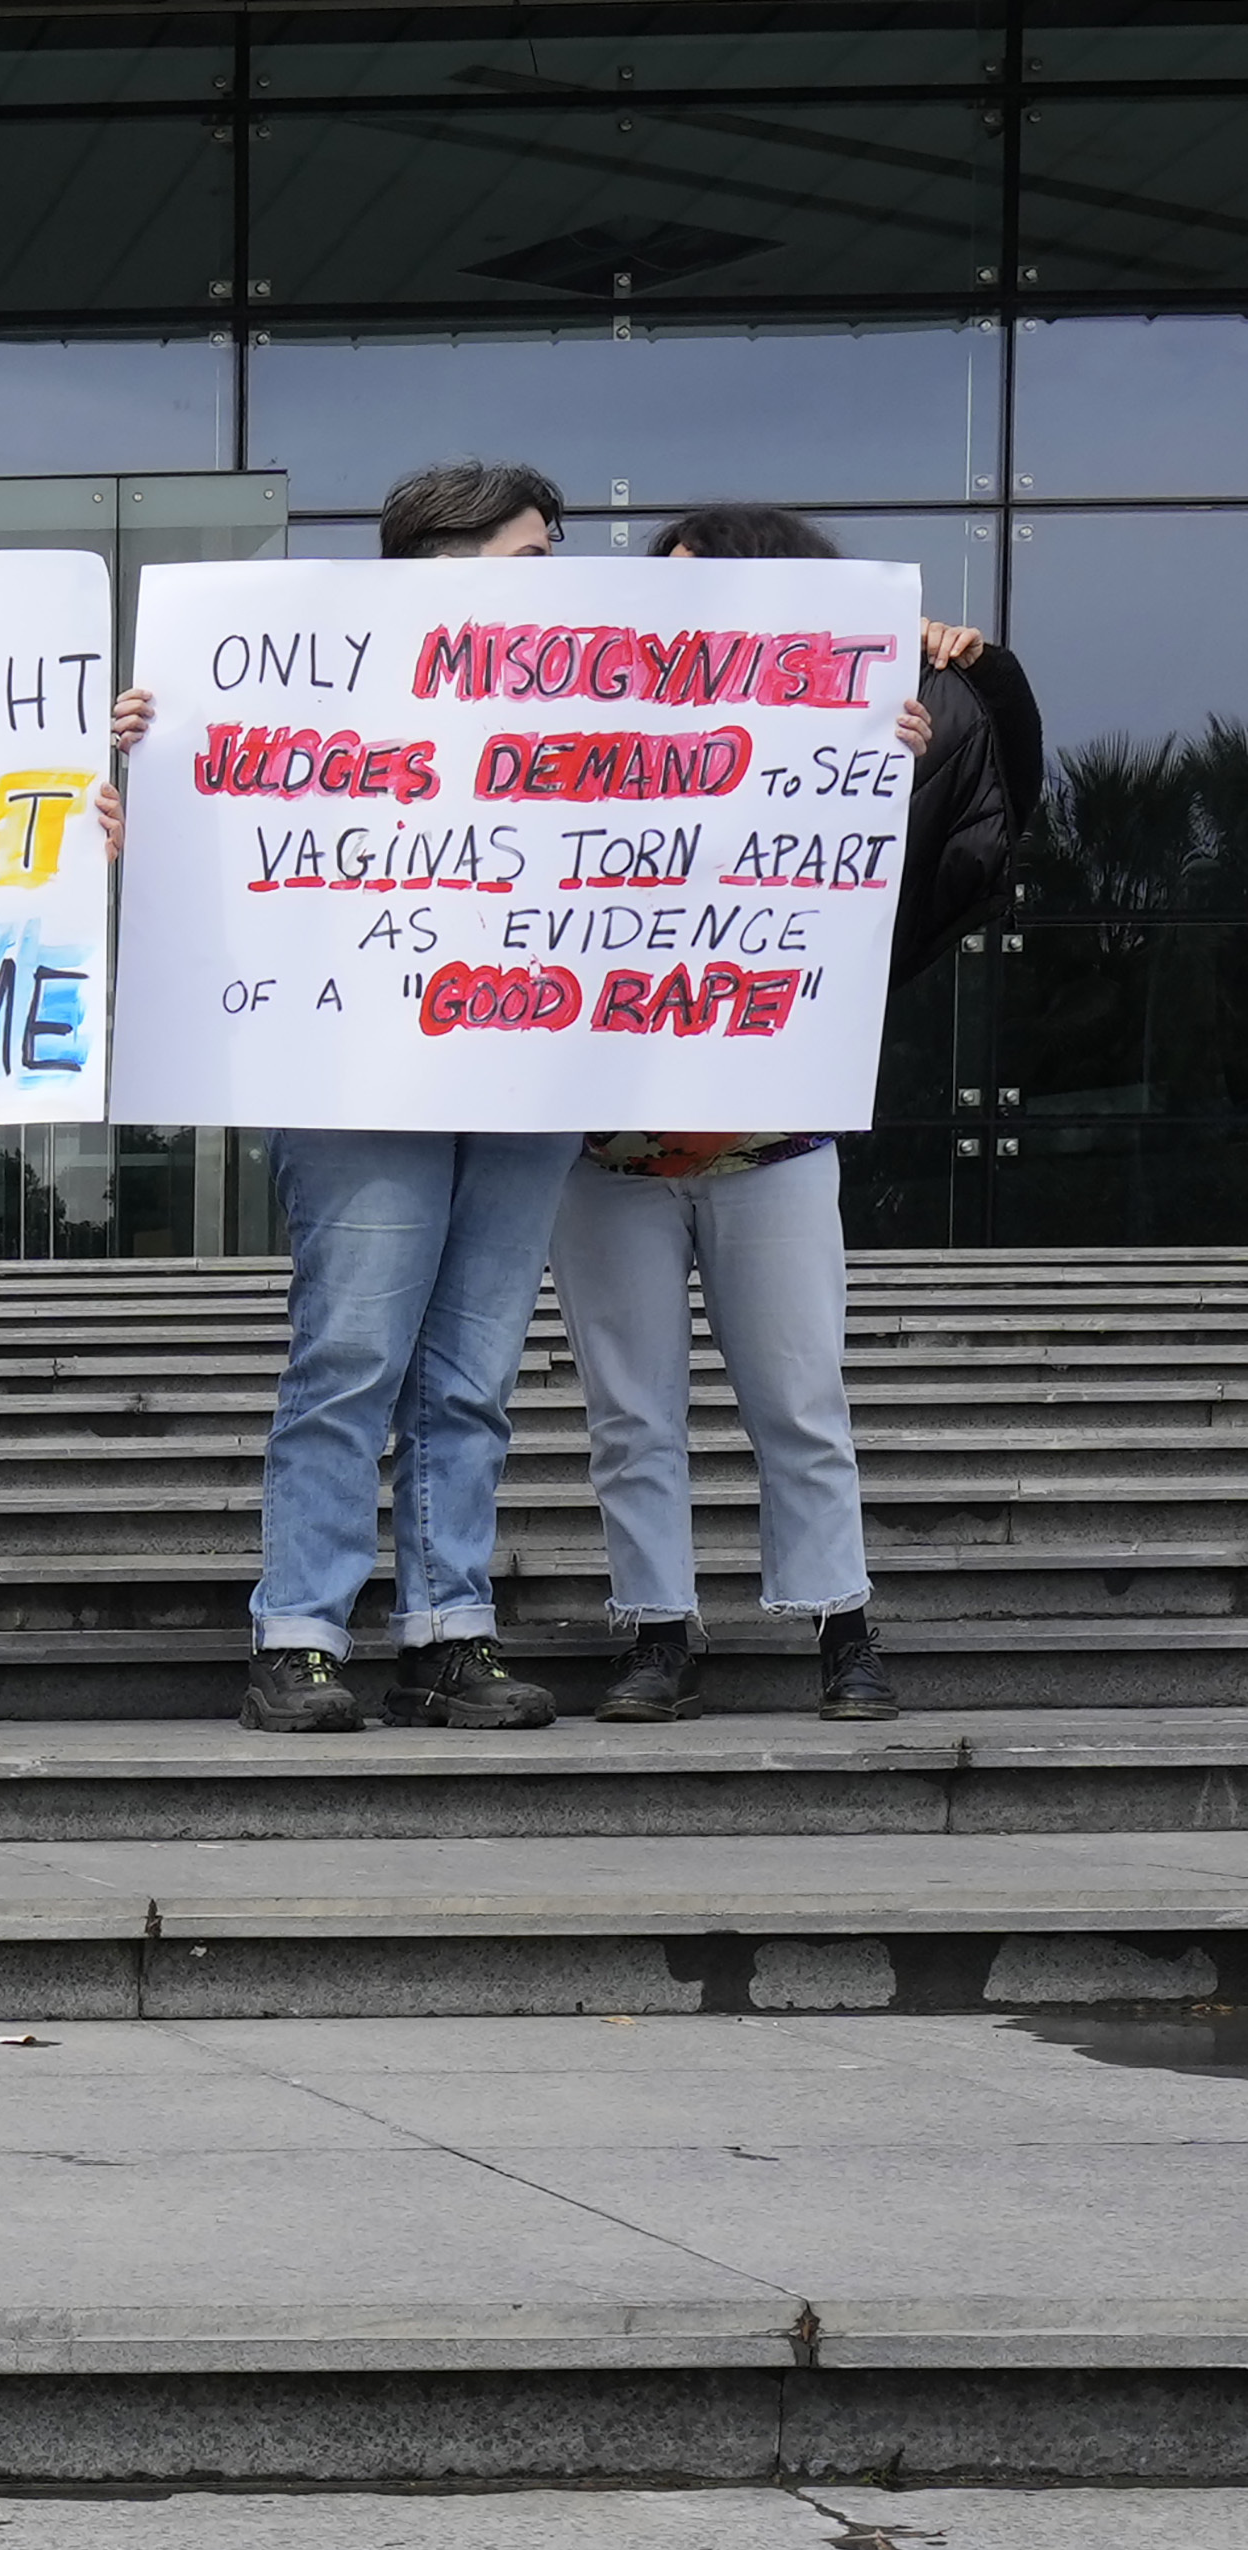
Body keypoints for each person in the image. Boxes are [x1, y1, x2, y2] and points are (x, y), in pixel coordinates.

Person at [559, 509, 1017, 1731]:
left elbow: (963, 835)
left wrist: (899, 743)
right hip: (605, 1153)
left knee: (799, 1396)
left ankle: (841, 1622)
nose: (675, 607)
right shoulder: (583, 725)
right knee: (628, 1411)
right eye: (662, 589)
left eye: (701, 587)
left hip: (769, 1141)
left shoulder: (847, 724)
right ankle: (658, 1630)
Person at [227, 458, 579, 1737]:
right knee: (352, 1358)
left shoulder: (592, 700)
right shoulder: (316, 678)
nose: (560, 582)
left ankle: (446, 1630)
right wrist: (152, 753)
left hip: (529, 1066)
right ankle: (299, 1633)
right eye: (531, 557)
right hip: (362, 1069)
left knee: (473, 1371)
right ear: (441, 560)